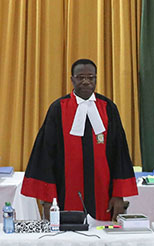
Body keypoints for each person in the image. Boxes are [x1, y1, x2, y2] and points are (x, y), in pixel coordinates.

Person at [23, 58, 138, 221]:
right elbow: (45, 155)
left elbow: (119, 154)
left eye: (91, 78)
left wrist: (118, 195)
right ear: (72, 79)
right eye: (80, 77)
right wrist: (49, 200)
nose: (86, 82)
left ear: (96, 79)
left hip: (103, 195)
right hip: (65, 194)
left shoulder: (108, 108)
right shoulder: (58, 109)